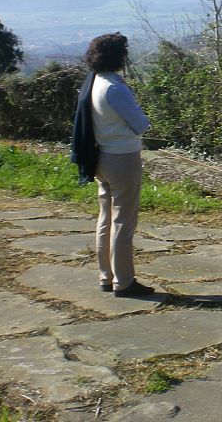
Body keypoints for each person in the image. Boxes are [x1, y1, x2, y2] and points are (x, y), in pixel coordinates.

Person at [75, 33, 154, 297]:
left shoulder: (93, 81)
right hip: (123, 158)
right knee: (123, 222)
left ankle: (105, 276)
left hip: (101, 157)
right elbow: (141, 124)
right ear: (118, 56)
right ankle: (124, 281)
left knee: (105, 219)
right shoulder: (114, 87)